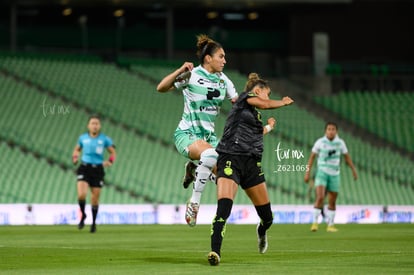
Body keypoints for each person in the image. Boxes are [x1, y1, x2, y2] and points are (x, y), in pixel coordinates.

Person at [208, 73, 294, 266]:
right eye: (267, 93)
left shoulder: (253, 115)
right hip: (231, 157)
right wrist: (282, 102)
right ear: (257, 91)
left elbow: (258, 131)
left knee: (268, 218)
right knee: (224, 208)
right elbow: (264, 104)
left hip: (252, 164)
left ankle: (262, 230)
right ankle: (215, 252)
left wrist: (269, 127)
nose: (268, 96)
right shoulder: (243, 99)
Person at [156, 34, 238, 227]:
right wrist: (179, 70)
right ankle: (194, 203)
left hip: (209, 137)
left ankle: (194, 168)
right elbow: (161, 87)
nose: (225, 60)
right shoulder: (192, 75)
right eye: (221, 56)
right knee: (210, 154)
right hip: (187, 135)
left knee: (228, 178)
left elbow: (237, 102)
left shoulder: (224, 81)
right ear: (208, 58)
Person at [304, 122, 357, 232]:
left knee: (332, 201)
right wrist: (307, 173)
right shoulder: (320, 142)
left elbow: (347, 158)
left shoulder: (340, 143)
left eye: (333, 129)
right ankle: (314, 223)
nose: (331, 131)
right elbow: (311, 158)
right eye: (329, 129)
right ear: (325, 131)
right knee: (320, 197)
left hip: (335, 174)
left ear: (336, 131)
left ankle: (330, 225)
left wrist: (353, 170)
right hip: (322, 172)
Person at [72, 115, 116, 233]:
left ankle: (93, 223)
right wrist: (75, 157)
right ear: (88, 125)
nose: (95, 125)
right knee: (81, 194)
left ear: (100, 126)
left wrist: (110, 161)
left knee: (94, 198)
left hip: (98, 170)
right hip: (85, 167)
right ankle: (83, 216)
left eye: (97, 123)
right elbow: (77, 149)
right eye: (93, 123)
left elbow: (113, 152)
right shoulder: (83, 138)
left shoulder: (104, 139)